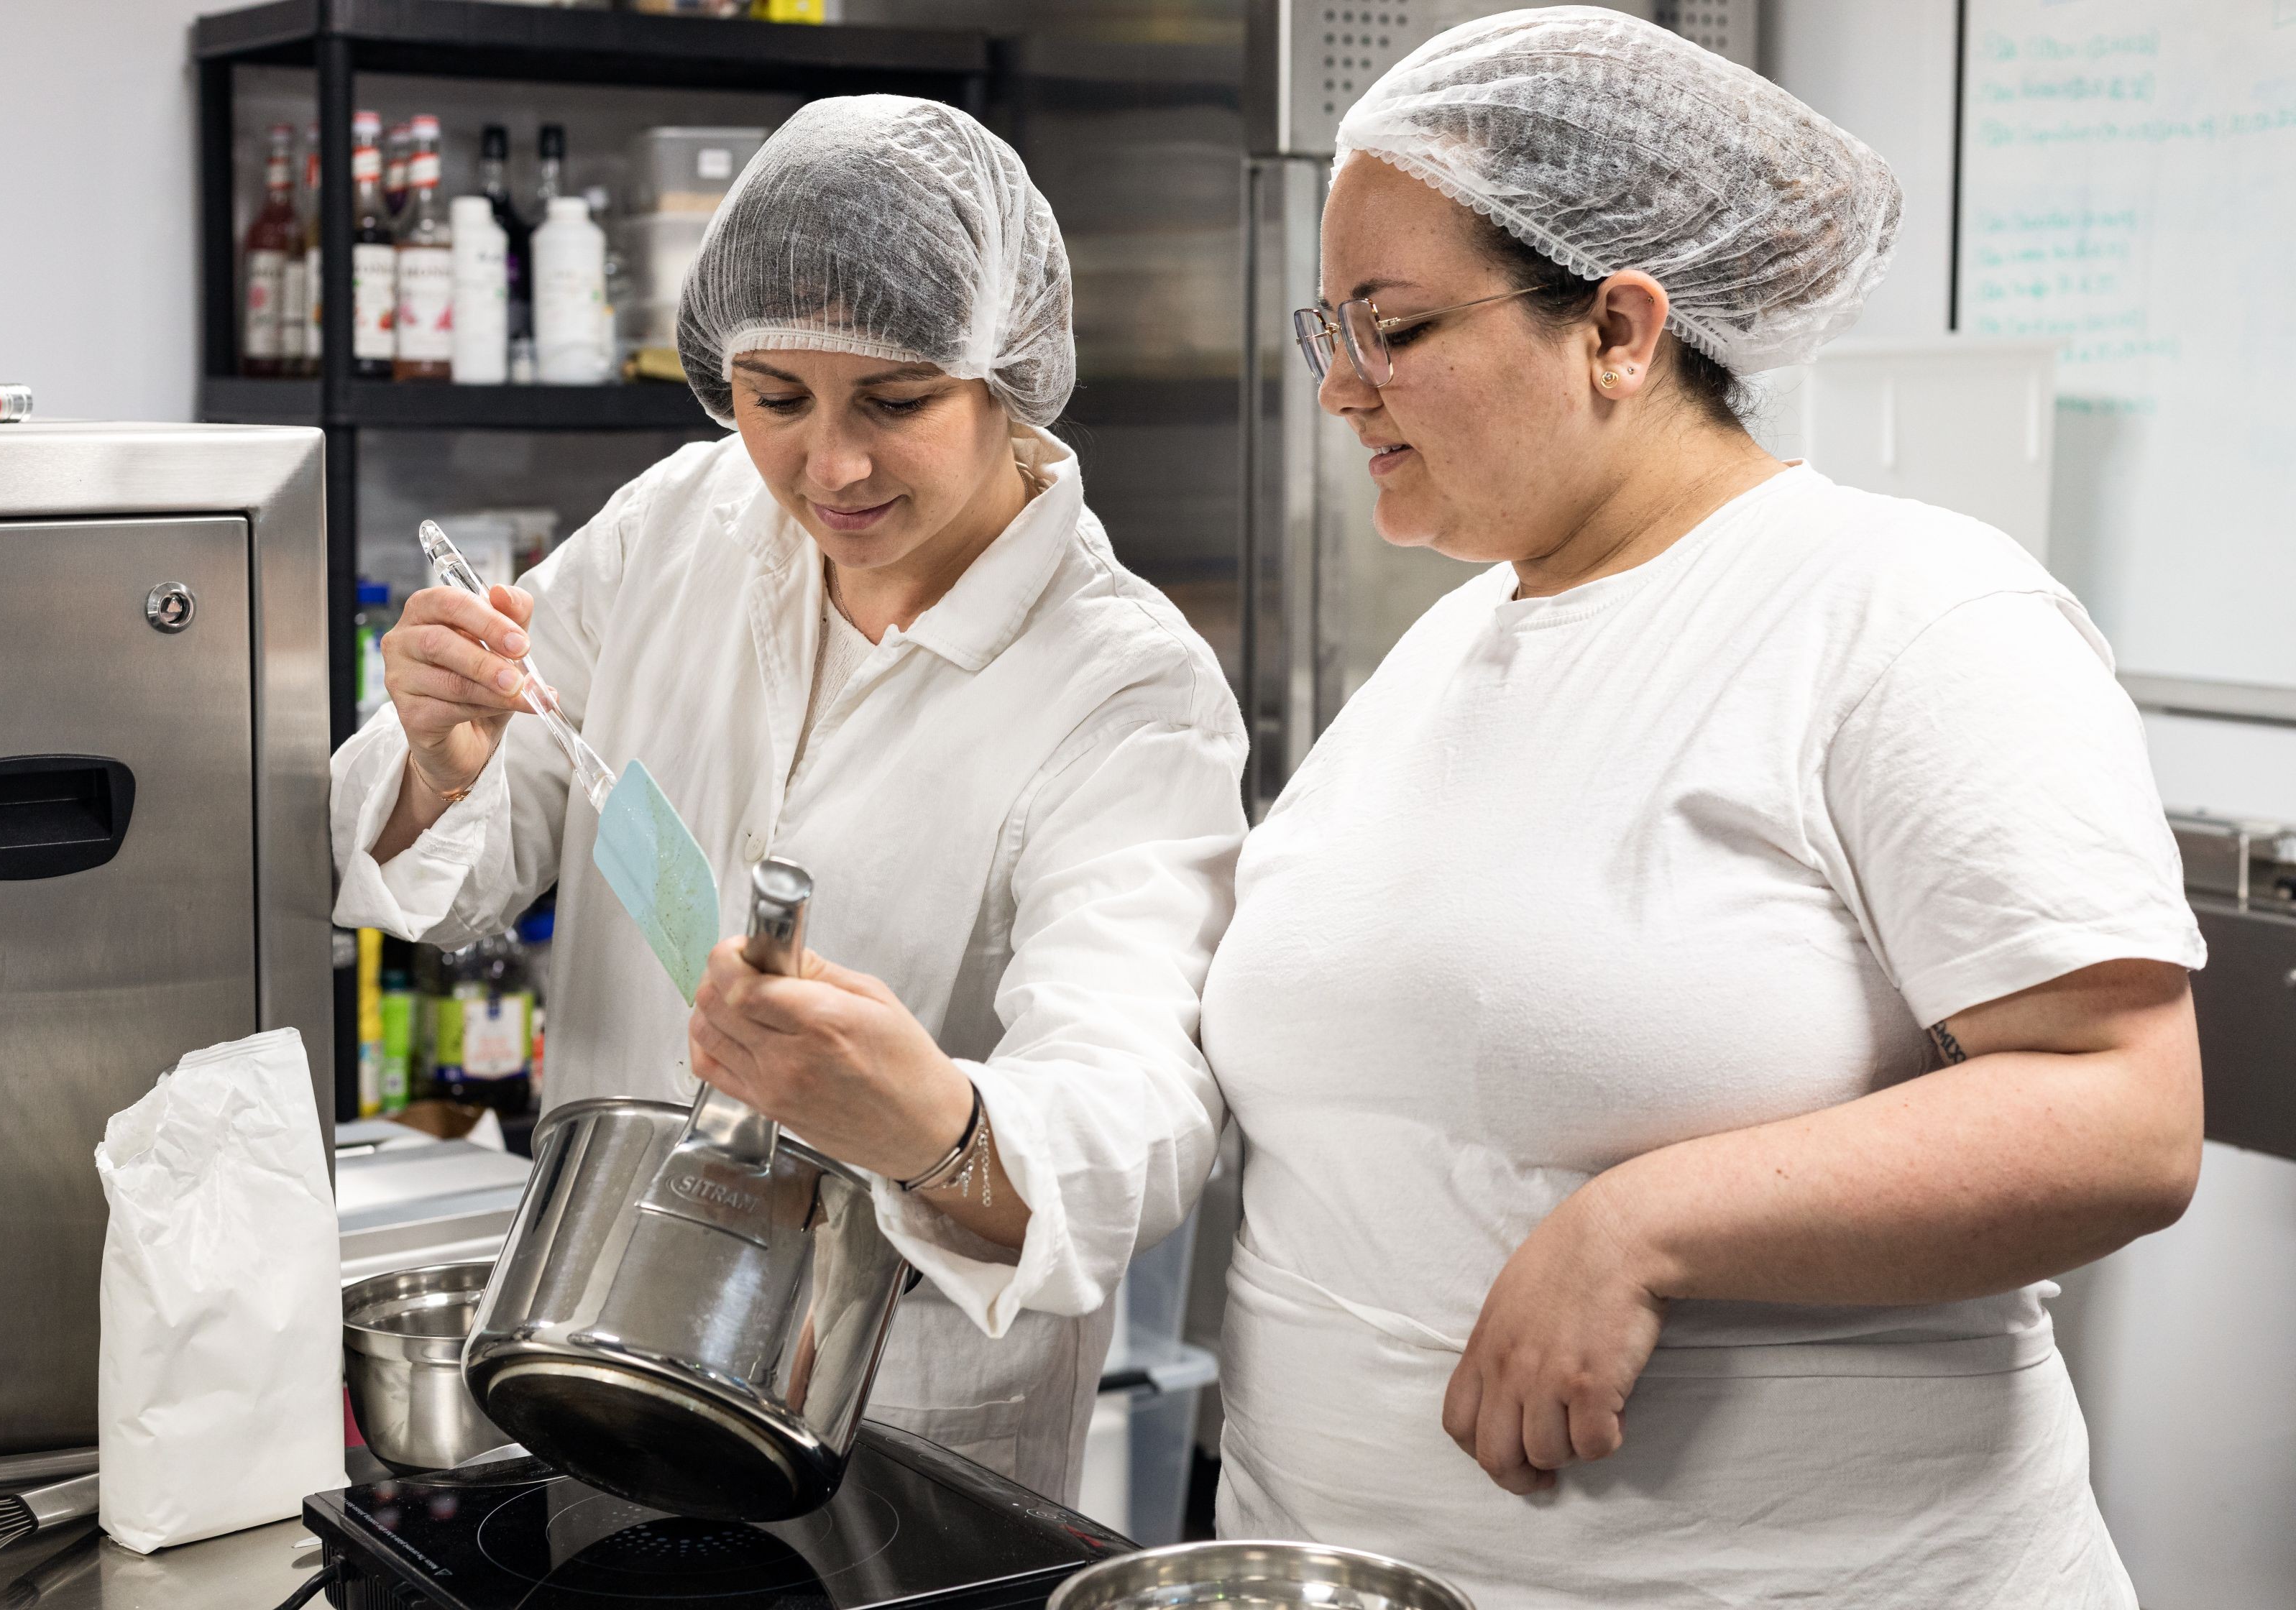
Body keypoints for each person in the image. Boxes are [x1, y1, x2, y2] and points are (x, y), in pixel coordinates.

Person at [1199, 11, 2202, 1606]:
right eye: (1333, 325)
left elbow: (2121, 1116)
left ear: (1618, 327)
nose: (1340, 387)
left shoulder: (1905, 611)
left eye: (1391, 328)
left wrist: (1646, 1225)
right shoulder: (1450, 644)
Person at [330, 96, 1244, 1501]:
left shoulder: (1124, 692)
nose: (832, 466)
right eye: (776, 398)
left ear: (1010, 375)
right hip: (592, 1375)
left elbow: (1138, 1112)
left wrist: (926, 1122)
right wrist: (440, 756)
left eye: (896, 400)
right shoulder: (679, 526)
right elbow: (452, 859)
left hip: (906, 1452)